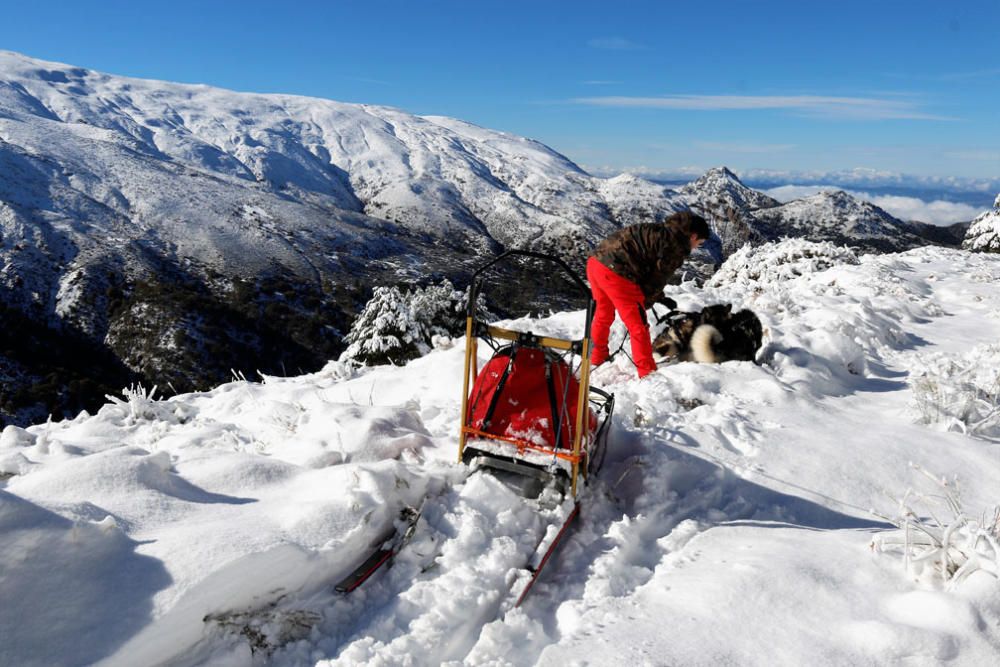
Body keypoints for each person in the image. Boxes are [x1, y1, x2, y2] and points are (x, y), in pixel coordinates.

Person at [586, 211, 711, 378]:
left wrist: (660, 297)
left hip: (596, 263)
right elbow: (655, 281)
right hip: (618, 273)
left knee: (603, 314)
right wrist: (646, 302)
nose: (696, 247)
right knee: (638, 327)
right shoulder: (676, 246)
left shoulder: (662, 231)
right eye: (699, 243)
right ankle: (647, 374)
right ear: (693, 236)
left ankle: (597, 358)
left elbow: (646, 265)